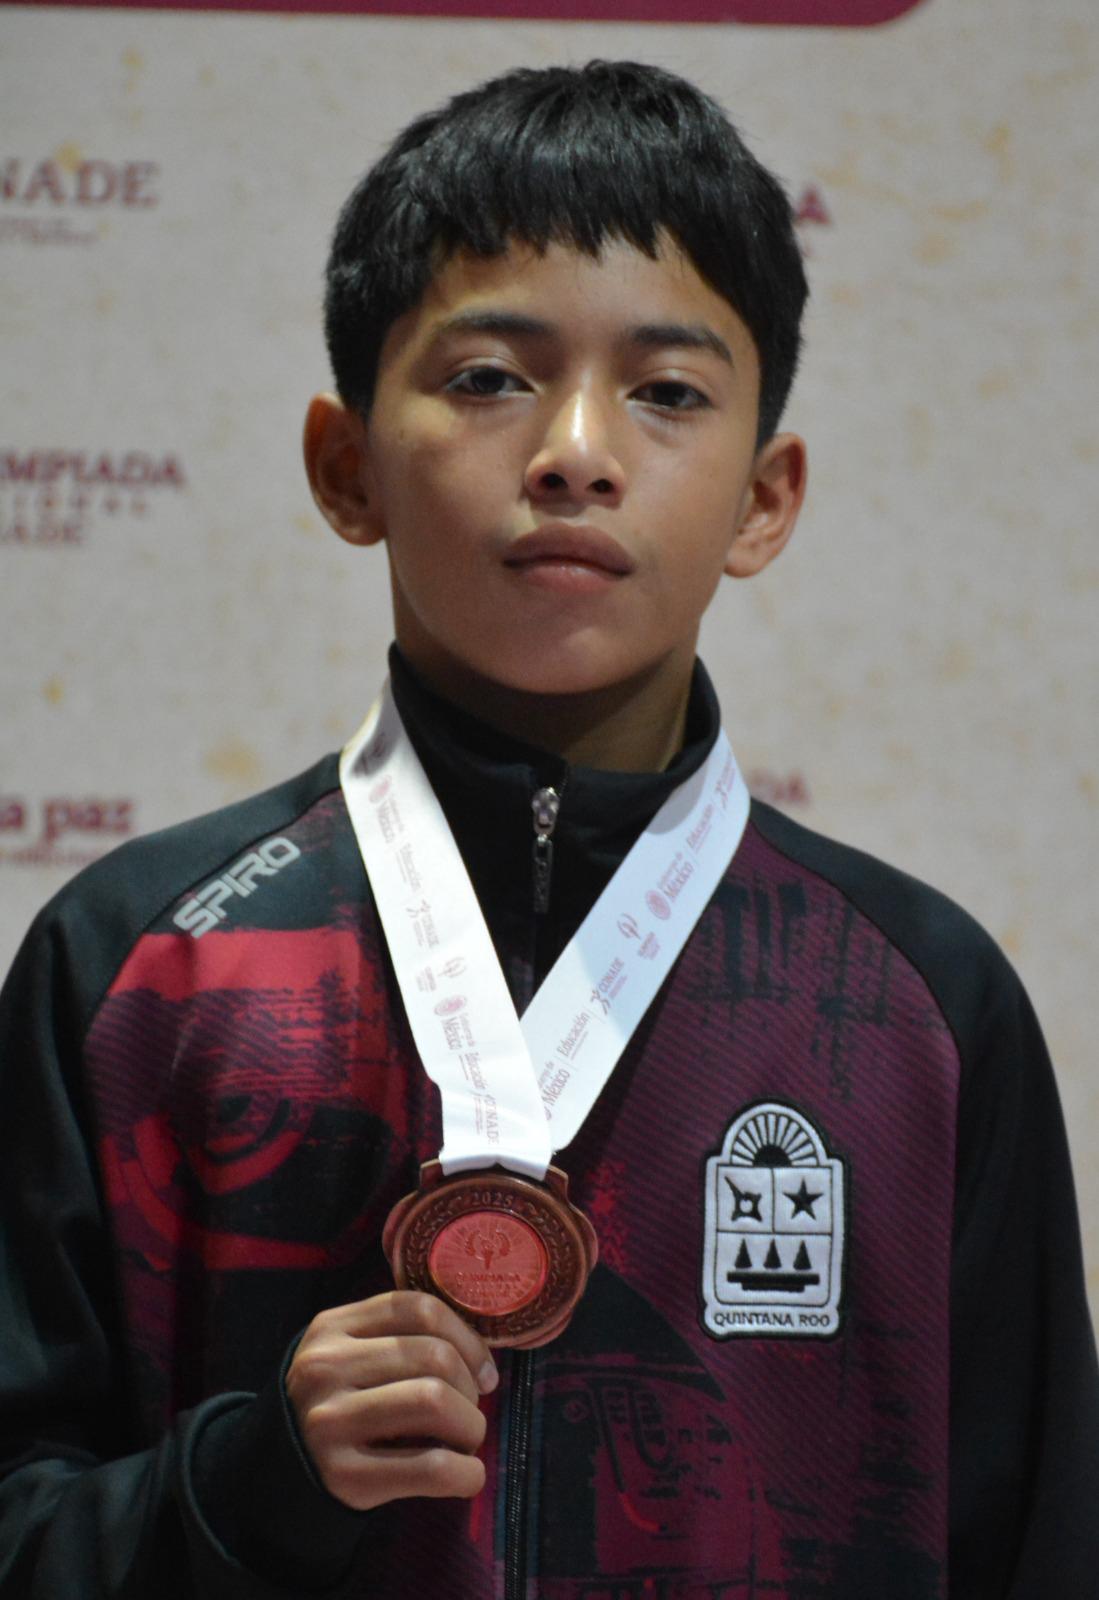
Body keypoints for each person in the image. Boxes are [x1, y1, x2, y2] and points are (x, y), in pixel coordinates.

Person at [0, 59, 1095, 1600]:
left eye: (668, 392)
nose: (576, 447)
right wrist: (245, 1487)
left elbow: (1037, 1544)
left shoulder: (925, 1007)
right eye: (487, 377)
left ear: (764, 498)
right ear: (345, 466)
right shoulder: (139, 968)